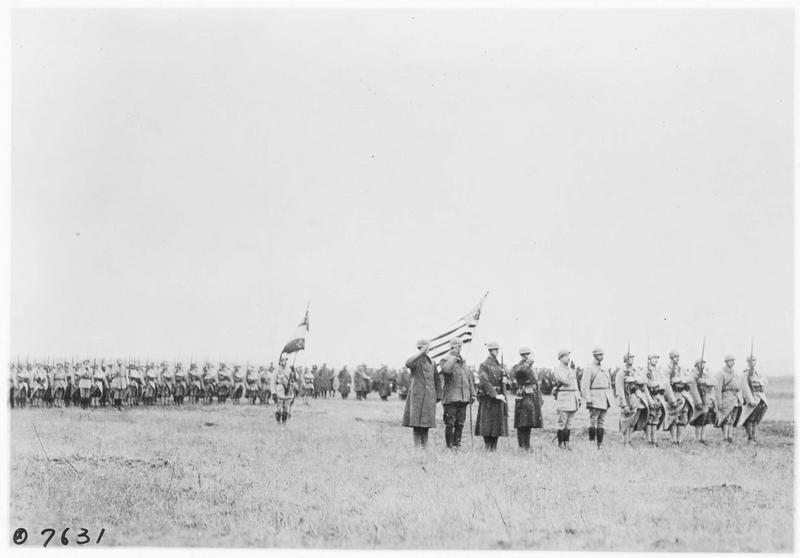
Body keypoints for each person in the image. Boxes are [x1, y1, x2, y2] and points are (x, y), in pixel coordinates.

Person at [402, 339, 442, 448]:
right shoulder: (415, 361)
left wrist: (438, 395)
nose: (427, 350)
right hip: (417, 396)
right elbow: (407, 363)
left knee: (426, 423)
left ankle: (425, 447)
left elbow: (437, 379)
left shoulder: (432, 362)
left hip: (429, 395)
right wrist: (420, 353)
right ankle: (417, 447)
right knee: (417, 423)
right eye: (425, 348)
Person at [440, 338, 476, 450]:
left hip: (463, 398)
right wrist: (453, 356)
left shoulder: (463, 361)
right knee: (450, 423)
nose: (460, 348)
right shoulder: (445, 359)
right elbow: (446, 370)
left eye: (461, 346)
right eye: (458, 346)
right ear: (453, 347)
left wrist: (472, 393)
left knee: (460, 423)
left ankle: (457, 445)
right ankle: (450, 446)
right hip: (451, 398)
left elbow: (468, 378)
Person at [475, 342, 508, 451]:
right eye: (496, 350)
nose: (497, 352)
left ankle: (493, 447)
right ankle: (488, 447)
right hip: (489, 397)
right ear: (492, 350)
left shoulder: (499, 365)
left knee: (496, 424)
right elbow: (484, 381)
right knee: (487, 424)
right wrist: (495, 395)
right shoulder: (484, 365)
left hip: (499, 396)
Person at [581, 347, 614, 449]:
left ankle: (600, 444)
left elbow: (609, 384)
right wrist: (588, 399)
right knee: (593, 420)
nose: (601, 357)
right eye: (599, 355)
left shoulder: (605, 368)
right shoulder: (589, 368)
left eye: (602, 355)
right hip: (595, 397)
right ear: (594, 356)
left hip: (605, 397)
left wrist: (610, 397)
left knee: (601, 421)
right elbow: (585, 386)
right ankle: (592, 442)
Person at [511, 347, 542, 450]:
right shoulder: (518, 366)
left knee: (529, 421)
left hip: (532, 396)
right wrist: (529, 362)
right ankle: (522, 446)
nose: (530, 357)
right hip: (523, 396)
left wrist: (540, 397)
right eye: (528, 355)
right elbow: (521, 371)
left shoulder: (530, 368)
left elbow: (536, 384)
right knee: (522, 422)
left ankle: (527, 445)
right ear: (524, 355)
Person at [615, 352, 648, 445]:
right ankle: (625, 441)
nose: (631, 359)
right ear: (625, 359)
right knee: (626, 421)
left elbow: (645, 380)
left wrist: (634, 379)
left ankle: (629, 440)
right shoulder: (621, 373)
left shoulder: (636, 371)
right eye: (629, 358)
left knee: (633, 422)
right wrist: (624, 404)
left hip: (637, 399)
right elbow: (620, 390)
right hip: (627, 398)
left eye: (632, 357)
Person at [737, 355, 768, 444]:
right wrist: (750, 399)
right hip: (752, 399)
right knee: (749, 419)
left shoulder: (758, 371)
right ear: (748, 362)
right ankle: (750, 438)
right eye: (750, 361)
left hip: (760, 398)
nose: (752, 363)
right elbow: (745, 386)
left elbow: (765, 382)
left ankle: (754, 438)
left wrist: (760, 385)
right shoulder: (745, 372)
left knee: (756, 420)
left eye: (754, 361)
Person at [662, 350, 691, 445]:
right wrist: (672, 399)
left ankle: (679, 439)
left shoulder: (681, 368)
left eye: (678, 356)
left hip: (682, 395)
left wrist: (681, 379)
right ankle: (673, 440)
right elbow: (666, 384)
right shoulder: (667, 369)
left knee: (683, 418)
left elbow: (689, 378)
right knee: (673, 418)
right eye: (675, 357)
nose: (677, 358)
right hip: (673, 394)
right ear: (671, 357)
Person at [687, 357, 716, 444]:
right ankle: (697, 439)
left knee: (705, 419)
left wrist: (704, 381)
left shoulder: (706, 374)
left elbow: (714, 381)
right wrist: (698, 401)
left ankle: (702, 438)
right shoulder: (693, 375)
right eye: (700, 363)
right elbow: (693, 389)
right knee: (699, 420)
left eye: (703, 363)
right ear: (696, 365)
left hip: (706, 398)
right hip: (699, 400)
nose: (702, 365)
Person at [715, 354, 741, 443]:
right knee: (726, 419)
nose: (732, 362)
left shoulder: (735, 373)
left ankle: (730, 437)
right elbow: (718, 389)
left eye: (733, 361)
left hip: (734, 398)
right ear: (726, 362)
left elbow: (739, 385)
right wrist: (719, 402)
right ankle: (725, 437)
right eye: (730, 361)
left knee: (732, 419)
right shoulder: (721, 373)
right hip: (725, 397)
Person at [643, 354, 665, 446]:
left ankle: (654, 439)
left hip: (658, 395)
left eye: (657, 358)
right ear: (649, 360)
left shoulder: (658, 371)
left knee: (656, 417)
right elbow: (647, 385)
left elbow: (664, 382)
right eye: (654, 358)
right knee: (650, 418)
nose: (655, 360)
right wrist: (649, 400)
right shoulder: (646, 371)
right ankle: (648, 440)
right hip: (650, 396)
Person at [271, 356, 295, 424]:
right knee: (279, 407)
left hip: (288, 391)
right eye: (283, 360)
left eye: (286, 360)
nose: (285, 362)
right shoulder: (276, 370)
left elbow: (292, 380)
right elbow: (273, 382)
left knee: (286, 407)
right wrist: (273, 393)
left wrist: (291, 383)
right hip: (280, 390)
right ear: (280, 361)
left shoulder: (289, 370)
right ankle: (278, 422)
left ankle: (284, 422)